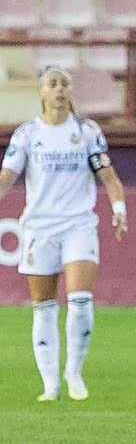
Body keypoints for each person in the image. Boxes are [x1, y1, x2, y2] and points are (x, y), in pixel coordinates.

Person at [0, 65, 127, 402]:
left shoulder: (86, 131)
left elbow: (108, 175)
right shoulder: (27, 135)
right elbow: (7, 178)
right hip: (40, 227)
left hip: (78, 224)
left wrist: (119, 209)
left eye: (64, 84)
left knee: (80, 301)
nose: (59, 89)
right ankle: (50, 384)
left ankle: (74, 371)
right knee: (44, 306)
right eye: (52, 84)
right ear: (41, 92)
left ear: (71, 90)